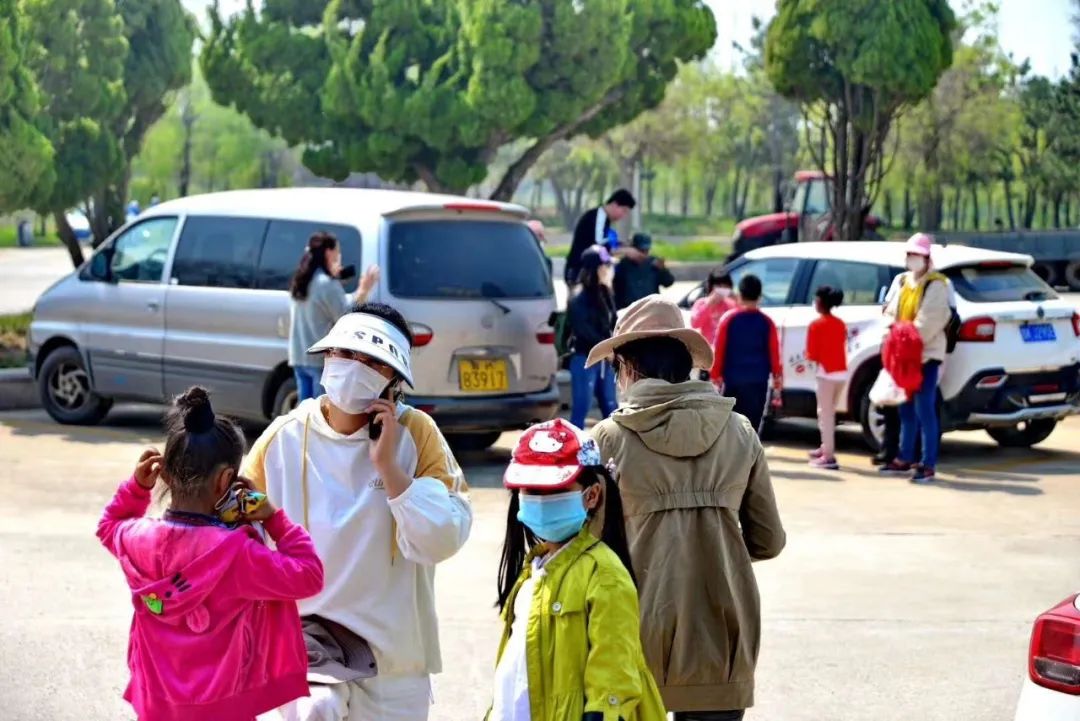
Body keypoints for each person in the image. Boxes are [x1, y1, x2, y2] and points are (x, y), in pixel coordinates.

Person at [245, 303, 472, 721]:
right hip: (309, 643)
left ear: (394, 381)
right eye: (345, 354)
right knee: (317, 710)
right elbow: (238, 535)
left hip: (393, 659)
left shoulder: (416, 435)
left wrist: (389, 468)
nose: (354, 368)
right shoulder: (284, 438)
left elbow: (443, 538)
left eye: (372, 361)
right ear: (327, 356)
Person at [586, 296, 786, 720]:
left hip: (632, 638)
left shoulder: (607, 440)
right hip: (724, 637)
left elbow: (587, 548)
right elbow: (768, 541)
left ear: (627, 365)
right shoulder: (740, 431)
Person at [96, 387, 324, 721]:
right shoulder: (237, 554)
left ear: (166, 474)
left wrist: (136, 488)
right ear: (226, 481)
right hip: (223, 706)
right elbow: (309, 575)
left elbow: (109, 526)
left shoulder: (138, 539)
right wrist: (273, 518)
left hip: (156, 702)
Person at [490, 419, 667, 721]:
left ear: (592, 495)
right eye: (532, 490)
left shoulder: (605, 574)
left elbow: (614, 673)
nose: (541, 501)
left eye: (555, 489)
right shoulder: (532, 569)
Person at [880, 233, 953, 483]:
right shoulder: (903, 281)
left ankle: (928, 462)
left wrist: (900, 333)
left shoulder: (937, 284)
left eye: (917, 255)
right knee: (906, 410)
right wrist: (895, 330)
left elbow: (927, 324)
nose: (912, 258)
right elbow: (890, 313)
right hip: (903, 357)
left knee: (925, 410)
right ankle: (905, 457)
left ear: (926, 257)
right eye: (910, 254)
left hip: (925, 357)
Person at [289, 232, 379, 402]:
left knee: (305, 415)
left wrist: (336, 281)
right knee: (320, 417)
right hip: (318, 361)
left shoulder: (301, 279)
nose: (339, 256)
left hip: (299, 356)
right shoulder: (327, 284)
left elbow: (321, 306)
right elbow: (345, 314)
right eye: (337, 251)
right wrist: (363, 290)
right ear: (329, 252)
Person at [709, 274, 783, 434]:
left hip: (733, 381)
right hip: (758, 382)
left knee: (730, 428)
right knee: (751, 427)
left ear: (740, 295)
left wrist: (715, 375)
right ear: (759, 296)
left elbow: (719, 350)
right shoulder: (767, 322)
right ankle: (749, 458)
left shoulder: (728, 319)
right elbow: (774, 353)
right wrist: (777, 378)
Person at [567, 246, 618, 428]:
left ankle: (615, 450)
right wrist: (607, 348)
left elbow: (613, 322)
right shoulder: (577, 298)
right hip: (585, 358)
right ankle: (573, 451)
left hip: (606, 359)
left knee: (611, 407)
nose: (610, 269)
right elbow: (584, 331)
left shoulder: (606, 292)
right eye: (606, 266)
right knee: (582, 407)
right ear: (597, 268)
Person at [806, 286, 848, 470]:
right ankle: (825, 447)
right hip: (841, 373)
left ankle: (828, 456)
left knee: (825, 415)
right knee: (830, 412)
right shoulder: (840, 323)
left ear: (821, 303)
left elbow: (812, 353)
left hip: (826, 374)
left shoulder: (816, 325)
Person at [565, 189, 641, 286]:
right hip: (579, 271)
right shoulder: (599, 217)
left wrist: (622, 245)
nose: (623, 216)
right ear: (615, 204)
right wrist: (626, 251)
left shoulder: (604, 219)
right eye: (624, 211)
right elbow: (600, 246)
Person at [613, 232, 675, 309]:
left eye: (646, 251)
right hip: (628, 309)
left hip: (650, 309)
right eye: (641, 251)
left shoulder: (654, 263)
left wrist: (663, 270)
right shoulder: (623, 265)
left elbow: (668, 283)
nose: (643, 254)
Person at [690, 270, 736, 346]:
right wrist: (709, 305)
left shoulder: (731, 303)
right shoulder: (701, 303)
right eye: (719, 286)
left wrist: (737, 300)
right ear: (711, 287)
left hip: (728, 348)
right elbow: (695, 324)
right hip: (709, 349)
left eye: (725, 286)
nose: (722, 289)